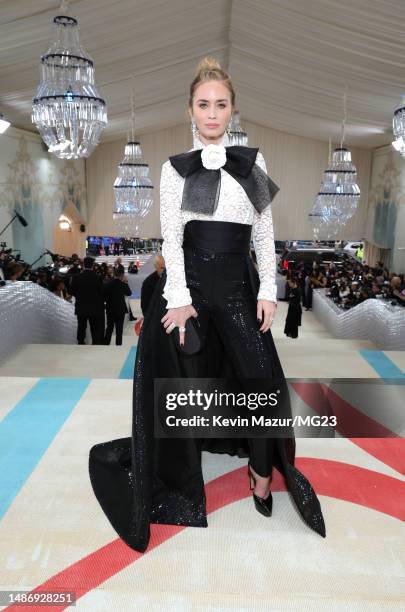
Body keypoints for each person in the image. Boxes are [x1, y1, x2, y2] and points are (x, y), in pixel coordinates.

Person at [89, 56, 326, 552]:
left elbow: (265, 232)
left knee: (263, 381)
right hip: (191, 286)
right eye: (204, 105)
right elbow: (171, 239)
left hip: (240, 287)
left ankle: (262, 473)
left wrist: (266, 291)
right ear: (190, 110)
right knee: (184, 385)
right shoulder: (174, 170)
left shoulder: (252, 163)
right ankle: (179, 472)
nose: (212, 113)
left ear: (233, 109)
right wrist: (176, 297)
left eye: (221, 104)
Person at [70, 256, 104, 345]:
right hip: (94, 307)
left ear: (83, 264)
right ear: (93, 265)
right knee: (94, 328)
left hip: (81, 306)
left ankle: (81, 343)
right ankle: (95, 344)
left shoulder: (76, 277)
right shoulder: (98, 278)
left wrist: (80, 296)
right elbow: (101, 292)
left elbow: (72, 291)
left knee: (81, 327)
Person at [103, 264, 132, 345]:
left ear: (114, 274)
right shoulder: (123, 284)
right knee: (119, 329)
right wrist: (126, 282)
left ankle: (106, 343)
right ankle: (118, 345)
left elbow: (104, 297)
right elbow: (129, 293)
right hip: (120, 309)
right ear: (122, 275)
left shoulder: (107, 284)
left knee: (109, 328)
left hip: (110, 308)